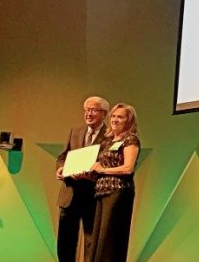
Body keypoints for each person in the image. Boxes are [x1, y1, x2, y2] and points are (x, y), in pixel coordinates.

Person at [56, 96, 110, 262]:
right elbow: (62, 157)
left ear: (104, 114)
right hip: (70, 193)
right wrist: (61, 168)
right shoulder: (75, 132)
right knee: (65, 241)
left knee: (91, 241)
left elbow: (109, 163)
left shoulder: (110, 136)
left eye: (93, 110)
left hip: (92, 195)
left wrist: (92, 173)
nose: (89, 114)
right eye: (86, 110)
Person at [88, 103, 141, 262]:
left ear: (128, 120)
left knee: (110, 238)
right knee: (99, 237)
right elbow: (100, 167)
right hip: (101, 191)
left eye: (120, 117)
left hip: (118, 192)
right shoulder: (108, 141)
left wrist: (103, 170)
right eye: (114, 116)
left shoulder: (131, 139)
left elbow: (128, 168)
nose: (115, 120)